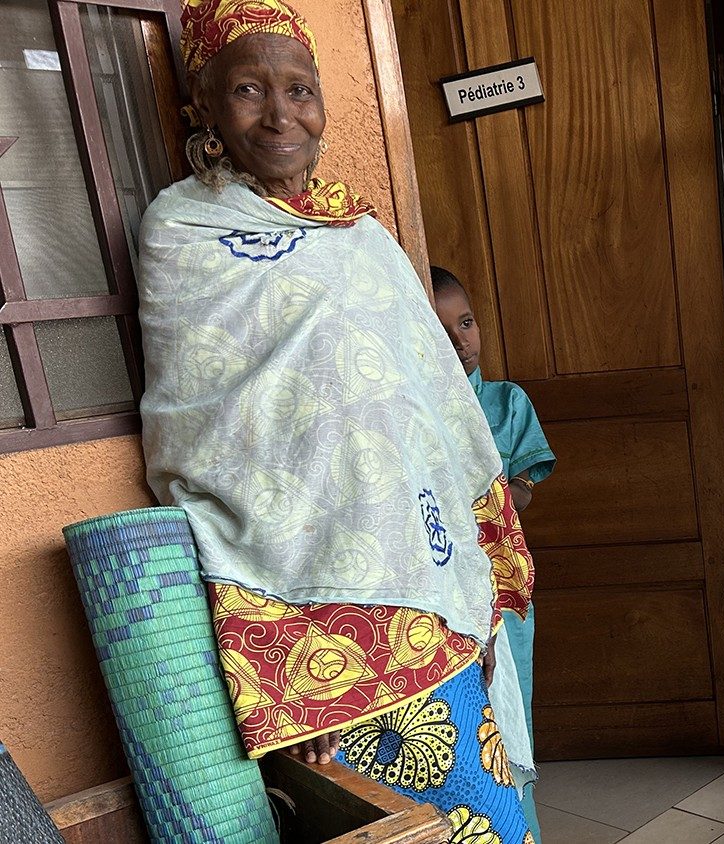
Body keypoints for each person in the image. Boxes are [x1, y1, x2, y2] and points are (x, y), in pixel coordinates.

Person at [135, 1, 534, 840]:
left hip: (428, 587)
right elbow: (203, 445)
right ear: (202, 106)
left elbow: (435, 414)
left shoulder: (363, 237)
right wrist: (284, 673)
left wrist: (473, 584)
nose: (281, 114)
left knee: (489, 822)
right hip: (313, 620)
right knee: (375, 825)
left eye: (300, 90)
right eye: (248, 90)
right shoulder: (182, 233)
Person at [433, 265, 554, 839]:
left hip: (504, 591)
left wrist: (491, 492)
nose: (460, 340)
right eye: (442, 328)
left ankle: (525, 826)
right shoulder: (418, 415)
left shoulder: (507, 403)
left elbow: (524, 491)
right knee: (464, 722)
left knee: (512, 717)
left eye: (467, 322)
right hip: (448, 588)